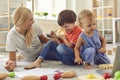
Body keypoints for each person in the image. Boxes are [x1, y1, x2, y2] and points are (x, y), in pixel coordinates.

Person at [5, 7, 53, 71]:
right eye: (30, 19)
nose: (33, 21)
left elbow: (44, 39)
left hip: (43, 50)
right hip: (32, 58)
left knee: (58, 47)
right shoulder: (12, 35)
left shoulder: (34, 25)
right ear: (21, 21)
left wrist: (57, 40)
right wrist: (11, 64)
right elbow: (12, 59)